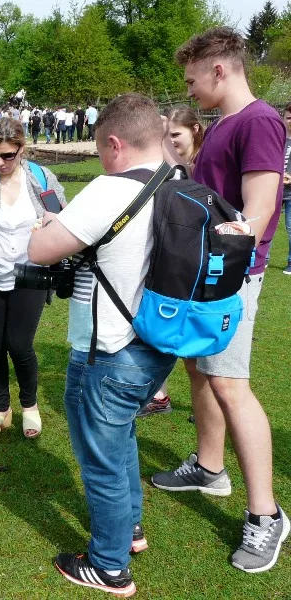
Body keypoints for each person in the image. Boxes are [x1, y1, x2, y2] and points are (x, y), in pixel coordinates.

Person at [152, 26, 289, 574]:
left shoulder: (258, 121)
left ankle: (267, 514)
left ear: (219, 70)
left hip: (230, 278)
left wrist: (215, 256)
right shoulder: (225, 125)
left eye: (191, 80)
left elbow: (257, 211)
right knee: (201, 374)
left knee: (232, 386)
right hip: (203, 277)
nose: (188, 92)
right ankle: (210, 468)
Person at [29, 93, 177, 597]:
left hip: (110, 349)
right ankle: (129, 528)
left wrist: (50, 223)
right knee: (121, 438)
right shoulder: (179, 181)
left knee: (102, 459)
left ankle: (109, 565)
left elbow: (39, 250)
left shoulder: (109, 189)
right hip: (160, 342)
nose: (98, 157)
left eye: (98, 148)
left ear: (114, 142)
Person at [0, 117, 66, 440]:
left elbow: (61, 218)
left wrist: (50, 224)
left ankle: (29, 406)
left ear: (22, 150)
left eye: (7, 155)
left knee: (19, 345)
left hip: (29, 275)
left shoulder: (41, 178)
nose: (0, 162)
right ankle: (1, 409)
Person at [136, 104, 205, 418]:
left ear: (195, 130)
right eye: (167, 135)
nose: (171, 140)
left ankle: (208, 405)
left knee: (193, 342)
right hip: (174, 256)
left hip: (192, 262)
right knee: (164, 331)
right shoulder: (180, 164)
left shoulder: (199, 165)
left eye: (175, 134)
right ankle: (162, 395)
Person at [282, 103, 291, 275]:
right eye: (289, 117)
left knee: (290, 228)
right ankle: (263, 258)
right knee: (266, 224)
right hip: (273, 191)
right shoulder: (277, 138)